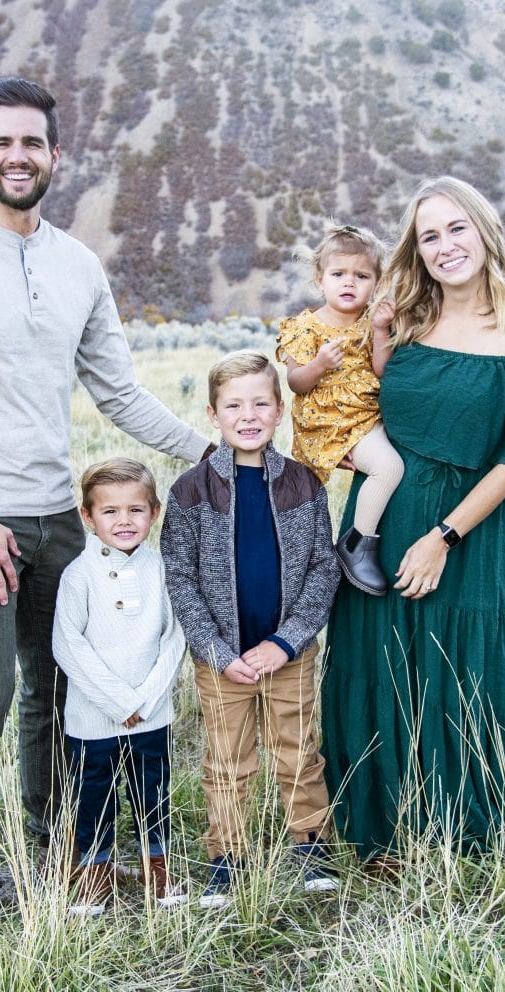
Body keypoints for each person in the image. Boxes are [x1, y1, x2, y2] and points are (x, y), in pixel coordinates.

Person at [0, 77, 211, 927]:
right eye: (2, 142)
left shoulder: (77, 266)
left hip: (55, 520)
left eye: (32, 142)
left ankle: (54, 853)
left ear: (55, 156)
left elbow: (122, 395)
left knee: (60, 693)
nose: (17, 156)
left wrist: (216, 453)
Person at [321, 177, 505, 867]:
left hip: (462, 528)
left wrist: (443, 537)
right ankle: (378, 822)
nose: (443, 246)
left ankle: (454, 813)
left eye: (455, 228)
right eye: (428, 236)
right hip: (381, 516)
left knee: (450, 671)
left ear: (484, 231)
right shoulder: (405, 317)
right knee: (374, 662)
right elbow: (366, 404)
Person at [160, 350, 341, 908]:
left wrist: (285, 642)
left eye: (261, 403)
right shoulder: (191, 491)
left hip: (289, 651)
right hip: (223, 660)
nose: (248, 415)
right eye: (234, 405)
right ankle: (227, 855)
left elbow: (322, 568)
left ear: (280, 411)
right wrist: (216, 650)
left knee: (298, 751)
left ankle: (310, 844)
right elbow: (180, 577)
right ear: (213, 414)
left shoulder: (304, 485)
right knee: (227, 758)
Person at [52, 458, 187, 915]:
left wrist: (145, 700)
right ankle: (93, 876)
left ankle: (160, 872)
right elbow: (67, 646)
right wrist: (118, 702)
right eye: (110, 511)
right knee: (95, 799)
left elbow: (175, 637)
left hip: (153, 715)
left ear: (155, 512)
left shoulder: (162, 569)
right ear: (87, 517)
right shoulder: (78, 575)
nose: (124, 521)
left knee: (153, 794)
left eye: (136, 510)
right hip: (94, 720)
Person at [276, 221, 404, 595]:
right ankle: (358, 545)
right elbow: (296, 383)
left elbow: (382, 371)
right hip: (329, 424)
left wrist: (381, 332)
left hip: (367, 416)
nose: (349, 283)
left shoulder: (372, 322)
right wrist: (318, 364)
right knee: (388, 467)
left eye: (361, 275)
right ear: (320, 280)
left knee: (396, 460)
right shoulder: (307, 327)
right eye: (338, 274)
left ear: (376, 284)